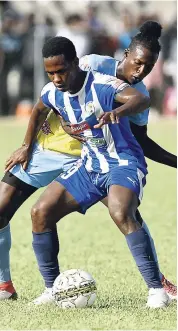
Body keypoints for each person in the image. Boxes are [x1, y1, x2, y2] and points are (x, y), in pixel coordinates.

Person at [0, 22, 176, 304]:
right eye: (138, 63)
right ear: (126, 54)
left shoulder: (112, 87)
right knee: (34, 212)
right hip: (64, 153)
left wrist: (117, 113)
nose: (141, 71)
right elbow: (40, 106)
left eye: (149, 66)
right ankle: (33, 287)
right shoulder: (85, 68)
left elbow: (140, 111)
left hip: (108, 158)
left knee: (123, 212)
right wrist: (26, 145)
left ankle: (158, 286)